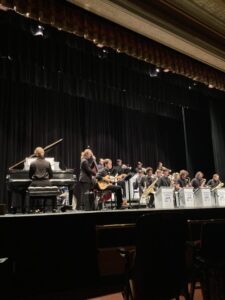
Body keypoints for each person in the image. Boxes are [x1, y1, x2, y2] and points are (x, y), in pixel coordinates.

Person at [29, 147, 53, 212]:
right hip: (46, 182)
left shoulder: (32, 163)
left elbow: (30, 176)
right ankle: (52, 208)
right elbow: (51, 175)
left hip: (35, 183)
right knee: (51, 189)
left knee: (28, 190)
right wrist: (46, 179)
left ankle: (31, 208)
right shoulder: (48, 163)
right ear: (43, 153)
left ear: (36, 154)